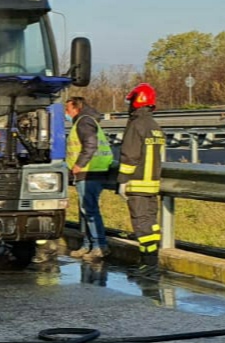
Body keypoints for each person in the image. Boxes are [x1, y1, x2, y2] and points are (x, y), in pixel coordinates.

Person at [117, 83, 167, 278]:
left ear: (137, 101)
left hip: (137, 184)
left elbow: (129, 156)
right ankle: (151, 261)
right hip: (152, 185)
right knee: (151, 224)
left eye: (131, 101)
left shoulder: (136, 125)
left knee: (141, 225)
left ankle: (148, 265)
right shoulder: (155, 126)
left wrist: (122, 181)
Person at [64, 96, 115, 261]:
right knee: (85, 210)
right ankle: (88, 245)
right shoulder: (85, 121)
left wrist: (79, 164)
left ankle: (100, 246)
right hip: (91, 171)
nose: (66, 113)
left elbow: (90, 144)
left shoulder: (84, 122)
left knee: (90, 210)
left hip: (89, 171)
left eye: (68, 109)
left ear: (76, 108)